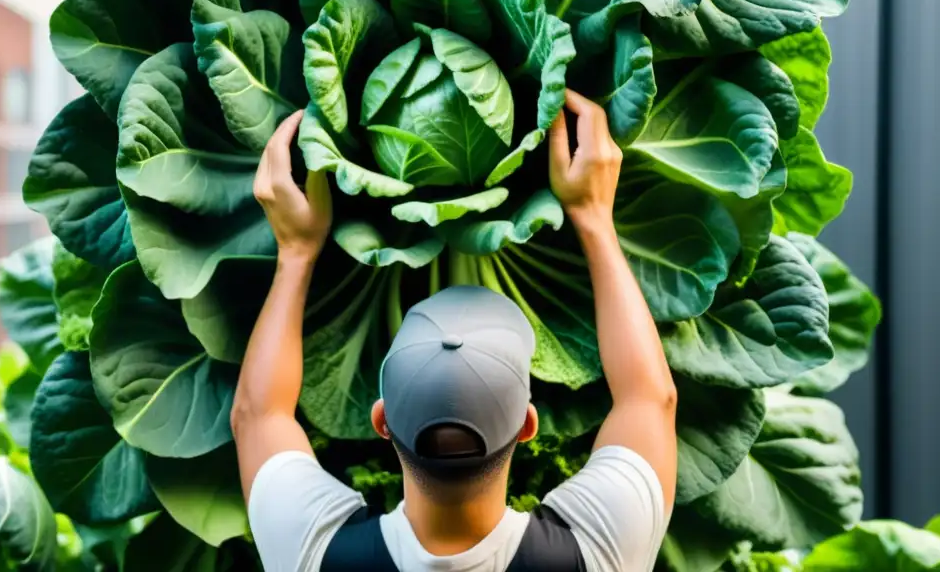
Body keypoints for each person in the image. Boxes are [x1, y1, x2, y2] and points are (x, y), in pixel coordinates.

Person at [232, 90, 678, 572]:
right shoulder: (596, 556)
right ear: (528, 424)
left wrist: (297, 252)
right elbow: (650, 399)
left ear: (381, 421)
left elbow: (258, 414)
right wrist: (594, 219)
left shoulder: (317, 555)